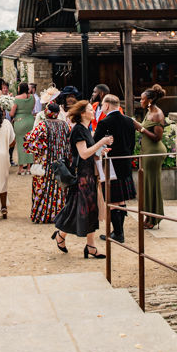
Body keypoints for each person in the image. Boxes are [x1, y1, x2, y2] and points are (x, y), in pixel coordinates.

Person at [51, 101, 113, 258]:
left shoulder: (86, 129)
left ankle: (89, 246)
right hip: (81, 177)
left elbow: (88, 153)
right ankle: (62, 235)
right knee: (78, 208)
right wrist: (101, 142)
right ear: (83, 114)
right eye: (91, 110)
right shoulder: (79, 130)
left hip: (89, 175)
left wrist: (100, 150)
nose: (94, 112)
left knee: (89, 209)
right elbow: (83, 153)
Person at [95, 94, 137, 243]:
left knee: (112, 200)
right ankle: (119, 231)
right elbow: (132, 143)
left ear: (106, 106)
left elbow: (96, 145)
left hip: (110, 164)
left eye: (102, 105)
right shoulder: (129, 121)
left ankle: (118, 233)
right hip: (125, 163)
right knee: (121, 200)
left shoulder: (104, 122)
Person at [23, 102, 68, 223]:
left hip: (45, 164)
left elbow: (29, 142)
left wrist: (39, 150)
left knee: (43, 189)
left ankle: (42, 215)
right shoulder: (65, 125)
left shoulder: (42, 125)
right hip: (61, 165)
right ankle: (59, 215)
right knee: (59, 190)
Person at [133, 84, 166, 229]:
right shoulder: (149, 111)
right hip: (147, 152)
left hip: (154, 153)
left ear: (150, 100)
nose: (141, 101)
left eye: (143, 99)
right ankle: (149, 216)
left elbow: (157, 137)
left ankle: (154, 218)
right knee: (146, 184)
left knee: (152, 185)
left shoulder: (157, 114)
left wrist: (141, 129)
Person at [10, 82, 37, 175]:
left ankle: (21, 168)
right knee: (29, 143)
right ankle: (29, 168)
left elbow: (12, 113)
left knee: (21, 144)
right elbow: (32, 108)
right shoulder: (32, 97)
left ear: (20, 88)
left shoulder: (17, 99)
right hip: (30, 121)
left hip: (19, 121)